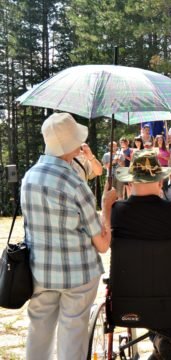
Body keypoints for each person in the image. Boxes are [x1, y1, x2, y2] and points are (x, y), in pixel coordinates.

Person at [20, 112, 117, 360]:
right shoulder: (75, 184)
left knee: (38, 333)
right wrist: (106, 207)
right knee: (72, 334)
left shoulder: (28, 178)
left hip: (39, 271)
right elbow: (103, 244)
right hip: (78, 274)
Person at [112, 150, 171, 360]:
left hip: (127, 302)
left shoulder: (115, 212)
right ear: (161, 181)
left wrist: (106, 205)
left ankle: (160, 342)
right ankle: (165, 339)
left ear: (131, 182)